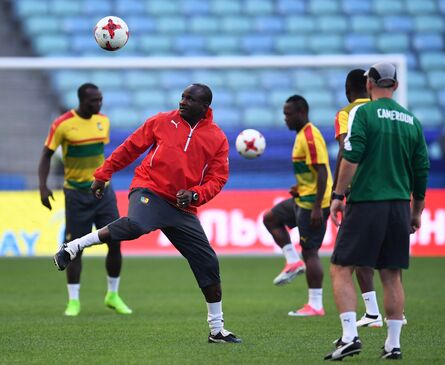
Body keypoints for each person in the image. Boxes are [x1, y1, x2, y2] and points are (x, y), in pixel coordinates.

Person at [53, 83, 241, 343]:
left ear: (204, 107)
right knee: (137, 225)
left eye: (190, 99)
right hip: (149, 190)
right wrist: (103, 174)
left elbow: (218, 178)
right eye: (182, 96)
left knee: (208, 262)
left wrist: (196, 194)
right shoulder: (161, 121)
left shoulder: (216, 138)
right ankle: (74, 246)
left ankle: (217, 329)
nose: (182, 101)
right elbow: (130, 148)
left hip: (181, 206)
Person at [325, 63, 429, 361]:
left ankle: (349, 337)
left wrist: (338, 195)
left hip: (367, 201)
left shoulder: (363, 113)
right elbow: (421, 169)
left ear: (369, 83)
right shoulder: (412, 121)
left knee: (341, 267)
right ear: (395, 85)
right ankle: (393, 344)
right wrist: (417, 210)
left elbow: (351, 157)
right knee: (392, 274)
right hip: (399, 205)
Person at [38, 83, 132, 316]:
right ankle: (74, 301)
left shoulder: (103, 122)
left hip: (103, 192)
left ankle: (113, 294)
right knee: (75, 247)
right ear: (81, 100)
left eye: (100, 100)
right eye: (94, 101)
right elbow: (46, 155)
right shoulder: (62, 124)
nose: (98, 104)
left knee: (115, 240)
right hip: (76, 194)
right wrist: (43, 185)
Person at [263, 95, 332, 316]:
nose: (285, 119)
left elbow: (322, 171)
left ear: (301, 113)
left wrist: (317, 208)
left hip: (313, 203)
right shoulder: (302, 135)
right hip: (303, 197)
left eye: (288, 114)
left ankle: (315, 305)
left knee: (310, 252)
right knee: (270, 218)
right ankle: (293, 261)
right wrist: (300, 187)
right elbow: (312, 172)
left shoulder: (310, 136)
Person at [333, 68, 383, 328]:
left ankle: (371, 315)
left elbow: (346, 149)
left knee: (347, 257)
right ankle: (394, 314)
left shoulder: (346, 113)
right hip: (387, 190)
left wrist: (337, 191)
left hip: (359, 191)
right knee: (387, 257)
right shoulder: (382, 110)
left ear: (347, 90)